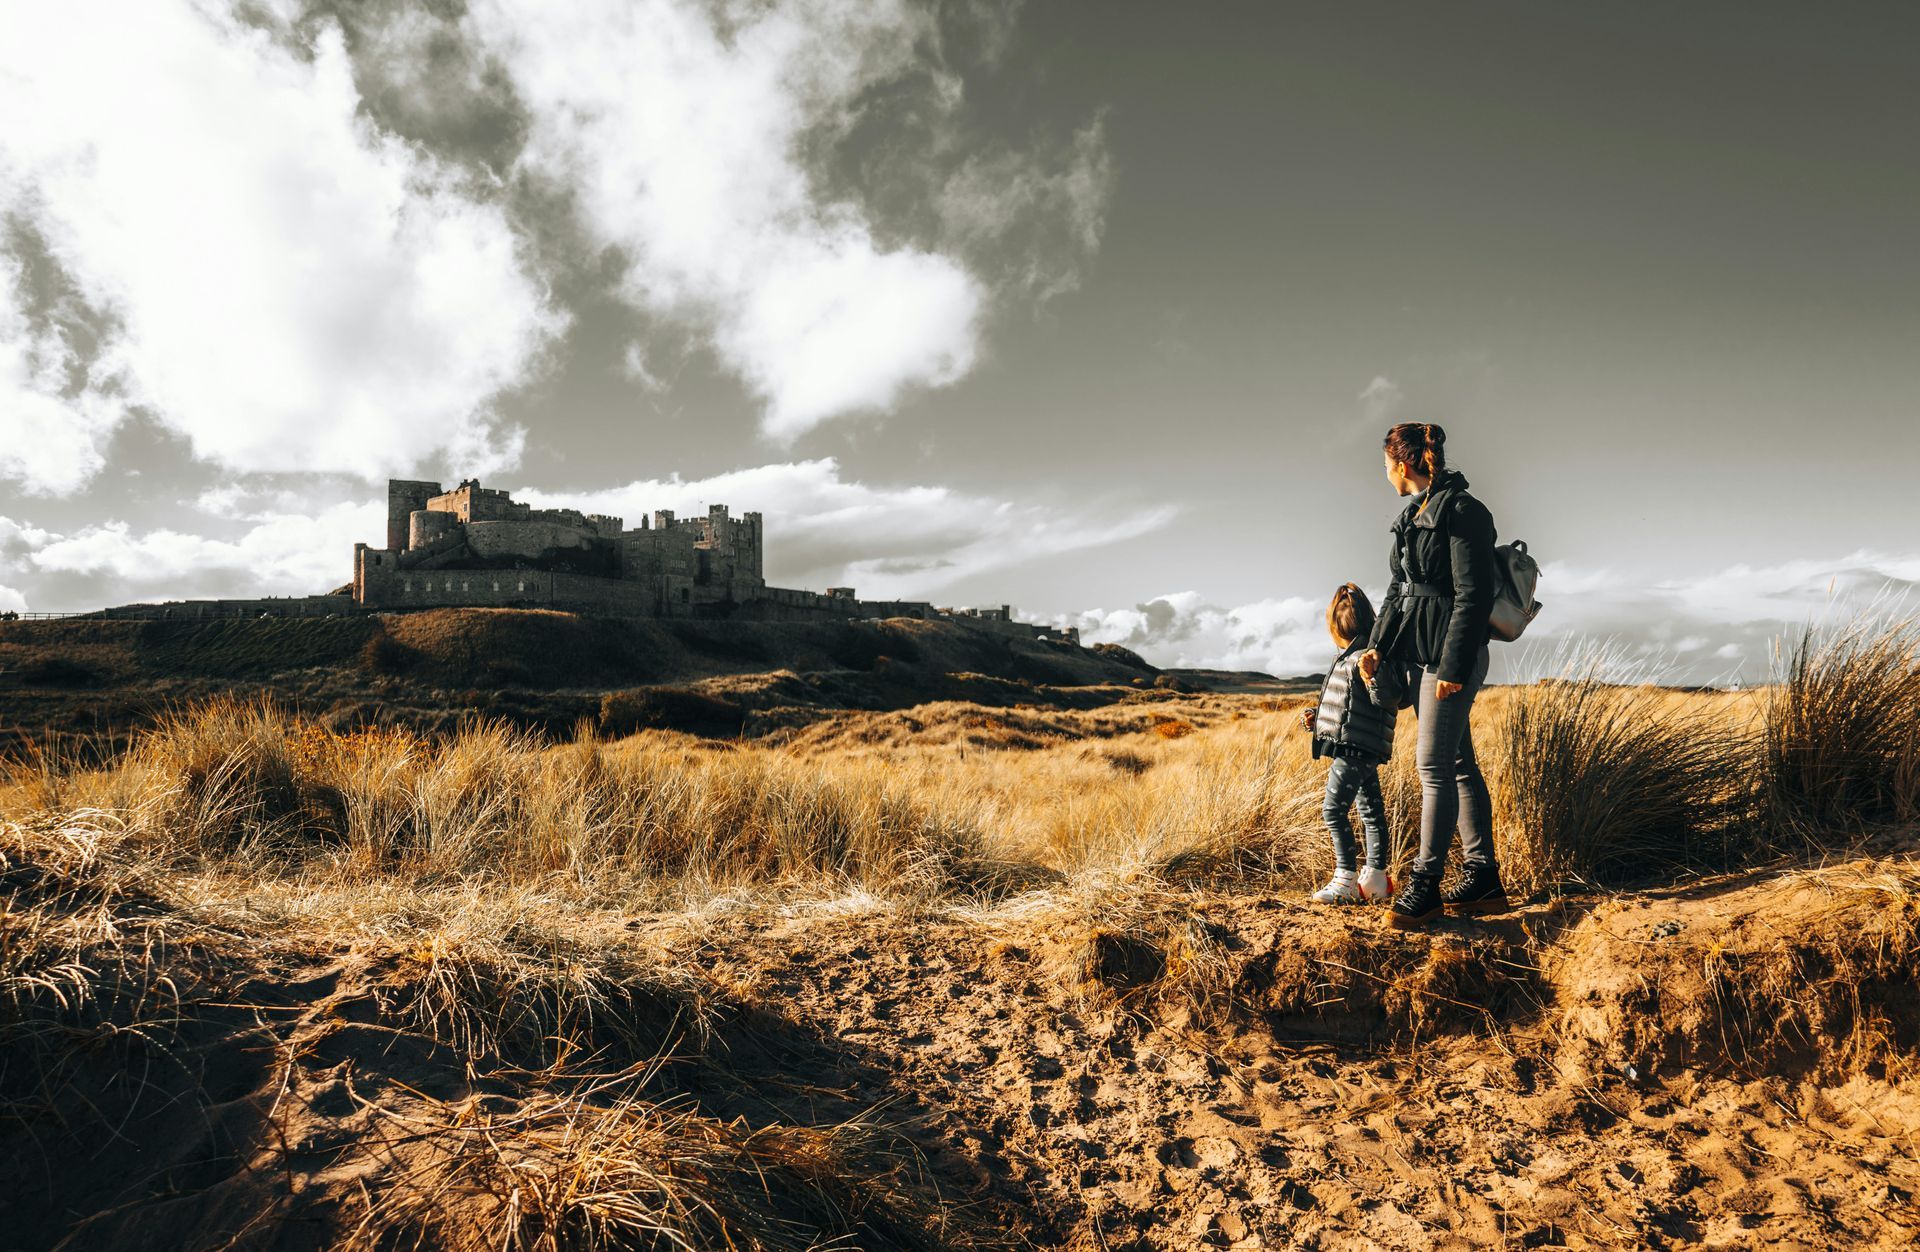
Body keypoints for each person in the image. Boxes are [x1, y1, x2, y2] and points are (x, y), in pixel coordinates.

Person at [1358, 422, 1509, 928]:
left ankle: (1425, 882)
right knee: (1458, 762)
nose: (1383, 474)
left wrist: (1453, 665)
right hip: (1420, 656)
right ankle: (1483, 877)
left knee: (1433, 768)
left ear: (1402, 465)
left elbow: (1474, 595)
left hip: (1449, 661)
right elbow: (1397, 589)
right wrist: (1377, 644)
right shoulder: (1411, 515)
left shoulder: (1464, 511)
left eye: (1385, 465)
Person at [1297, 583, 1406, 904]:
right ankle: (1376, 880)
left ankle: (1345, 878)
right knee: (1371, 812)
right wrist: (1317, 720)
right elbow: (1346, 707)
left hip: (1357, 748)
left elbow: (1388, 698)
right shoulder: (1348, 658)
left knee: (1333, 811)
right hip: (1356, 745)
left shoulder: (1369, 658)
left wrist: (1374, 675)